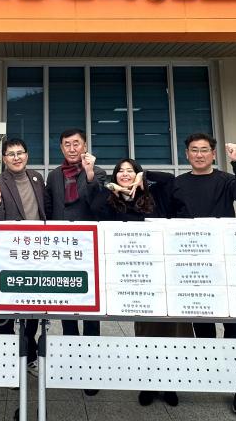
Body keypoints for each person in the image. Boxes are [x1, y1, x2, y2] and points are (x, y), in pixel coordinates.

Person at [89, 158, 193, 407]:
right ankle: (148, 383)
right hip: (137, 277)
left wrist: (143, 176)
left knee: (172, 329)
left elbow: (169, 179)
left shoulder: (153, 196)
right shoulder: (113, 201)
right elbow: (94, 208)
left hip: (163, 273)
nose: (125, 174)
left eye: (130, 171)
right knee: (145, 330)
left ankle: (171, 384)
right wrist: (112, 189)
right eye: (120, 171)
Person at [171, 132, 236, 416]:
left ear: (213, 153)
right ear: (186, 154)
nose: (199, 154)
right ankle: (214, 371)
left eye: (204, 150)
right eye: (194, 150)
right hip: (192, 264)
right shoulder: (178, 184)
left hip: (224, 261)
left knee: (234, 324)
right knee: (202, 322)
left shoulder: (226, 180)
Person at [43, 128, 106, 396]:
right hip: (61, 249)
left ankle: (91, 368)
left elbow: (100, 205)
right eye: (67, 144)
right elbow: (48, 207)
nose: (72, 148)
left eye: (76, 144)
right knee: (66, 305)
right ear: (61, 148)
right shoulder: (54, 175)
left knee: (90, 309)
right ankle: (72, 360)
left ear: (85, 146)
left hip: (87, 248)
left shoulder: (97, 172)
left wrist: (89, 175)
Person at [0, 138, 45, 375]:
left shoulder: (37, 178)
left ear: (27, 155)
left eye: (20, 153)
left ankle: (30, 355)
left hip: (36, 254)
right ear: (4, 158)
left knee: (33, 308)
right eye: (11, 154)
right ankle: (8, 361)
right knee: (8, 310)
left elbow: (46, 211)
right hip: (10, 256)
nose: (16, 157)